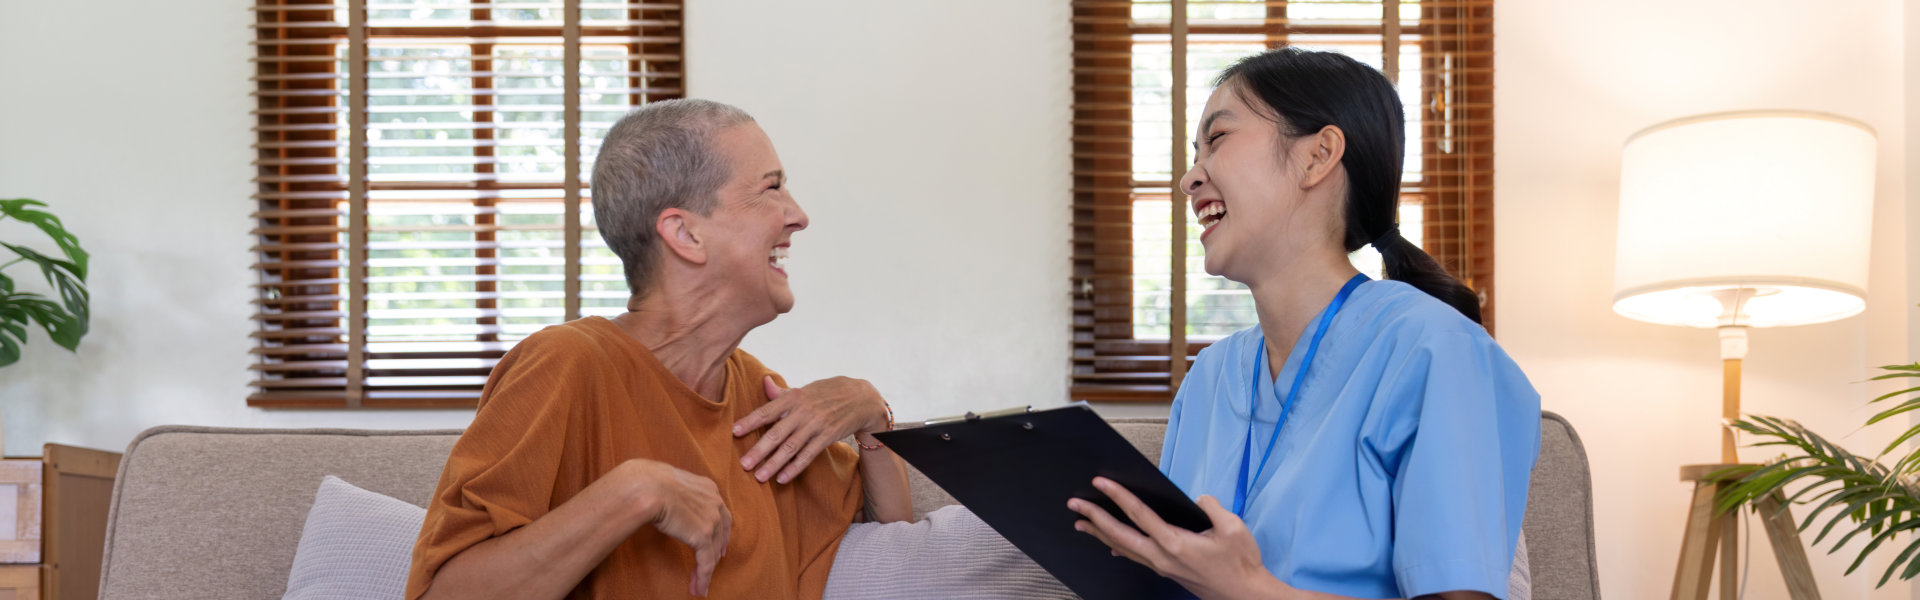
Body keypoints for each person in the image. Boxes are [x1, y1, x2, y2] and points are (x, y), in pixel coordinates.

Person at [1067, 47, 1541, 600]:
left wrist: (1245, 588)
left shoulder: (1438, 350)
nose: (1188, 179)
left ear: (1319, 156)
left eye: (1216, 140)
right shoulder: (1211, 376)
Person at [404, 98, 914, 600]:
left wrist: (869, 409)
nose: (798, 216)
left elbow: (895, 548)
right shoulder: (564, 365)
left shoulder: (761, 398)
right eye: (772, 188)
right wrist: (633, 494)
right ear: (685, 233)